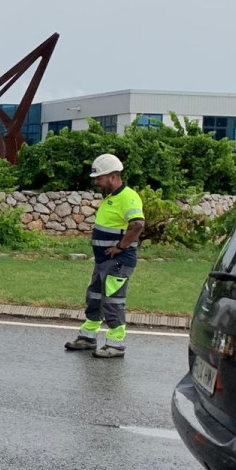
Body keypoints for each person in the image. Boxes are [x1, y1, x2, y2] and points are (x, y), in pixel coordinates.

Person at [64, 153, 145, 358]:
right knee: (95, 297)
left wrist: (120, 246)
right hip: (104, 261)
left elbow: (137, 224)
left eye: (99, 178)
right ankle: (88, 338)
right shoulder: (112, 197)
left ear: (112, 176)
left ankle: (115, 345)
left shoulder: (128, 197)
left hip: (117, 261)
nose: (97, 182)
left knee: (113, 302)